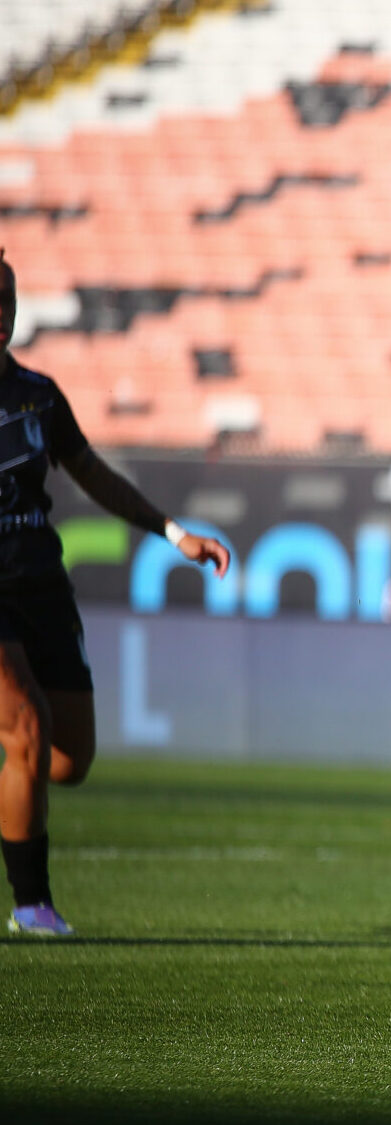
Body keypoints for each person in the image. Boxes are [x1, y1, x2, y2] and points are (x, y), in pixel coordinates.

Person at [0, 249, 229, 936]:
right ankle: (32, 904)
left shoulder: (37, 395)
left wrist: (171, 530)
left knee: (67, 760)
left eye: (5, 299)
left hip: (40, 581)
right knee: (26, 730)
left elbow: (92, 474)